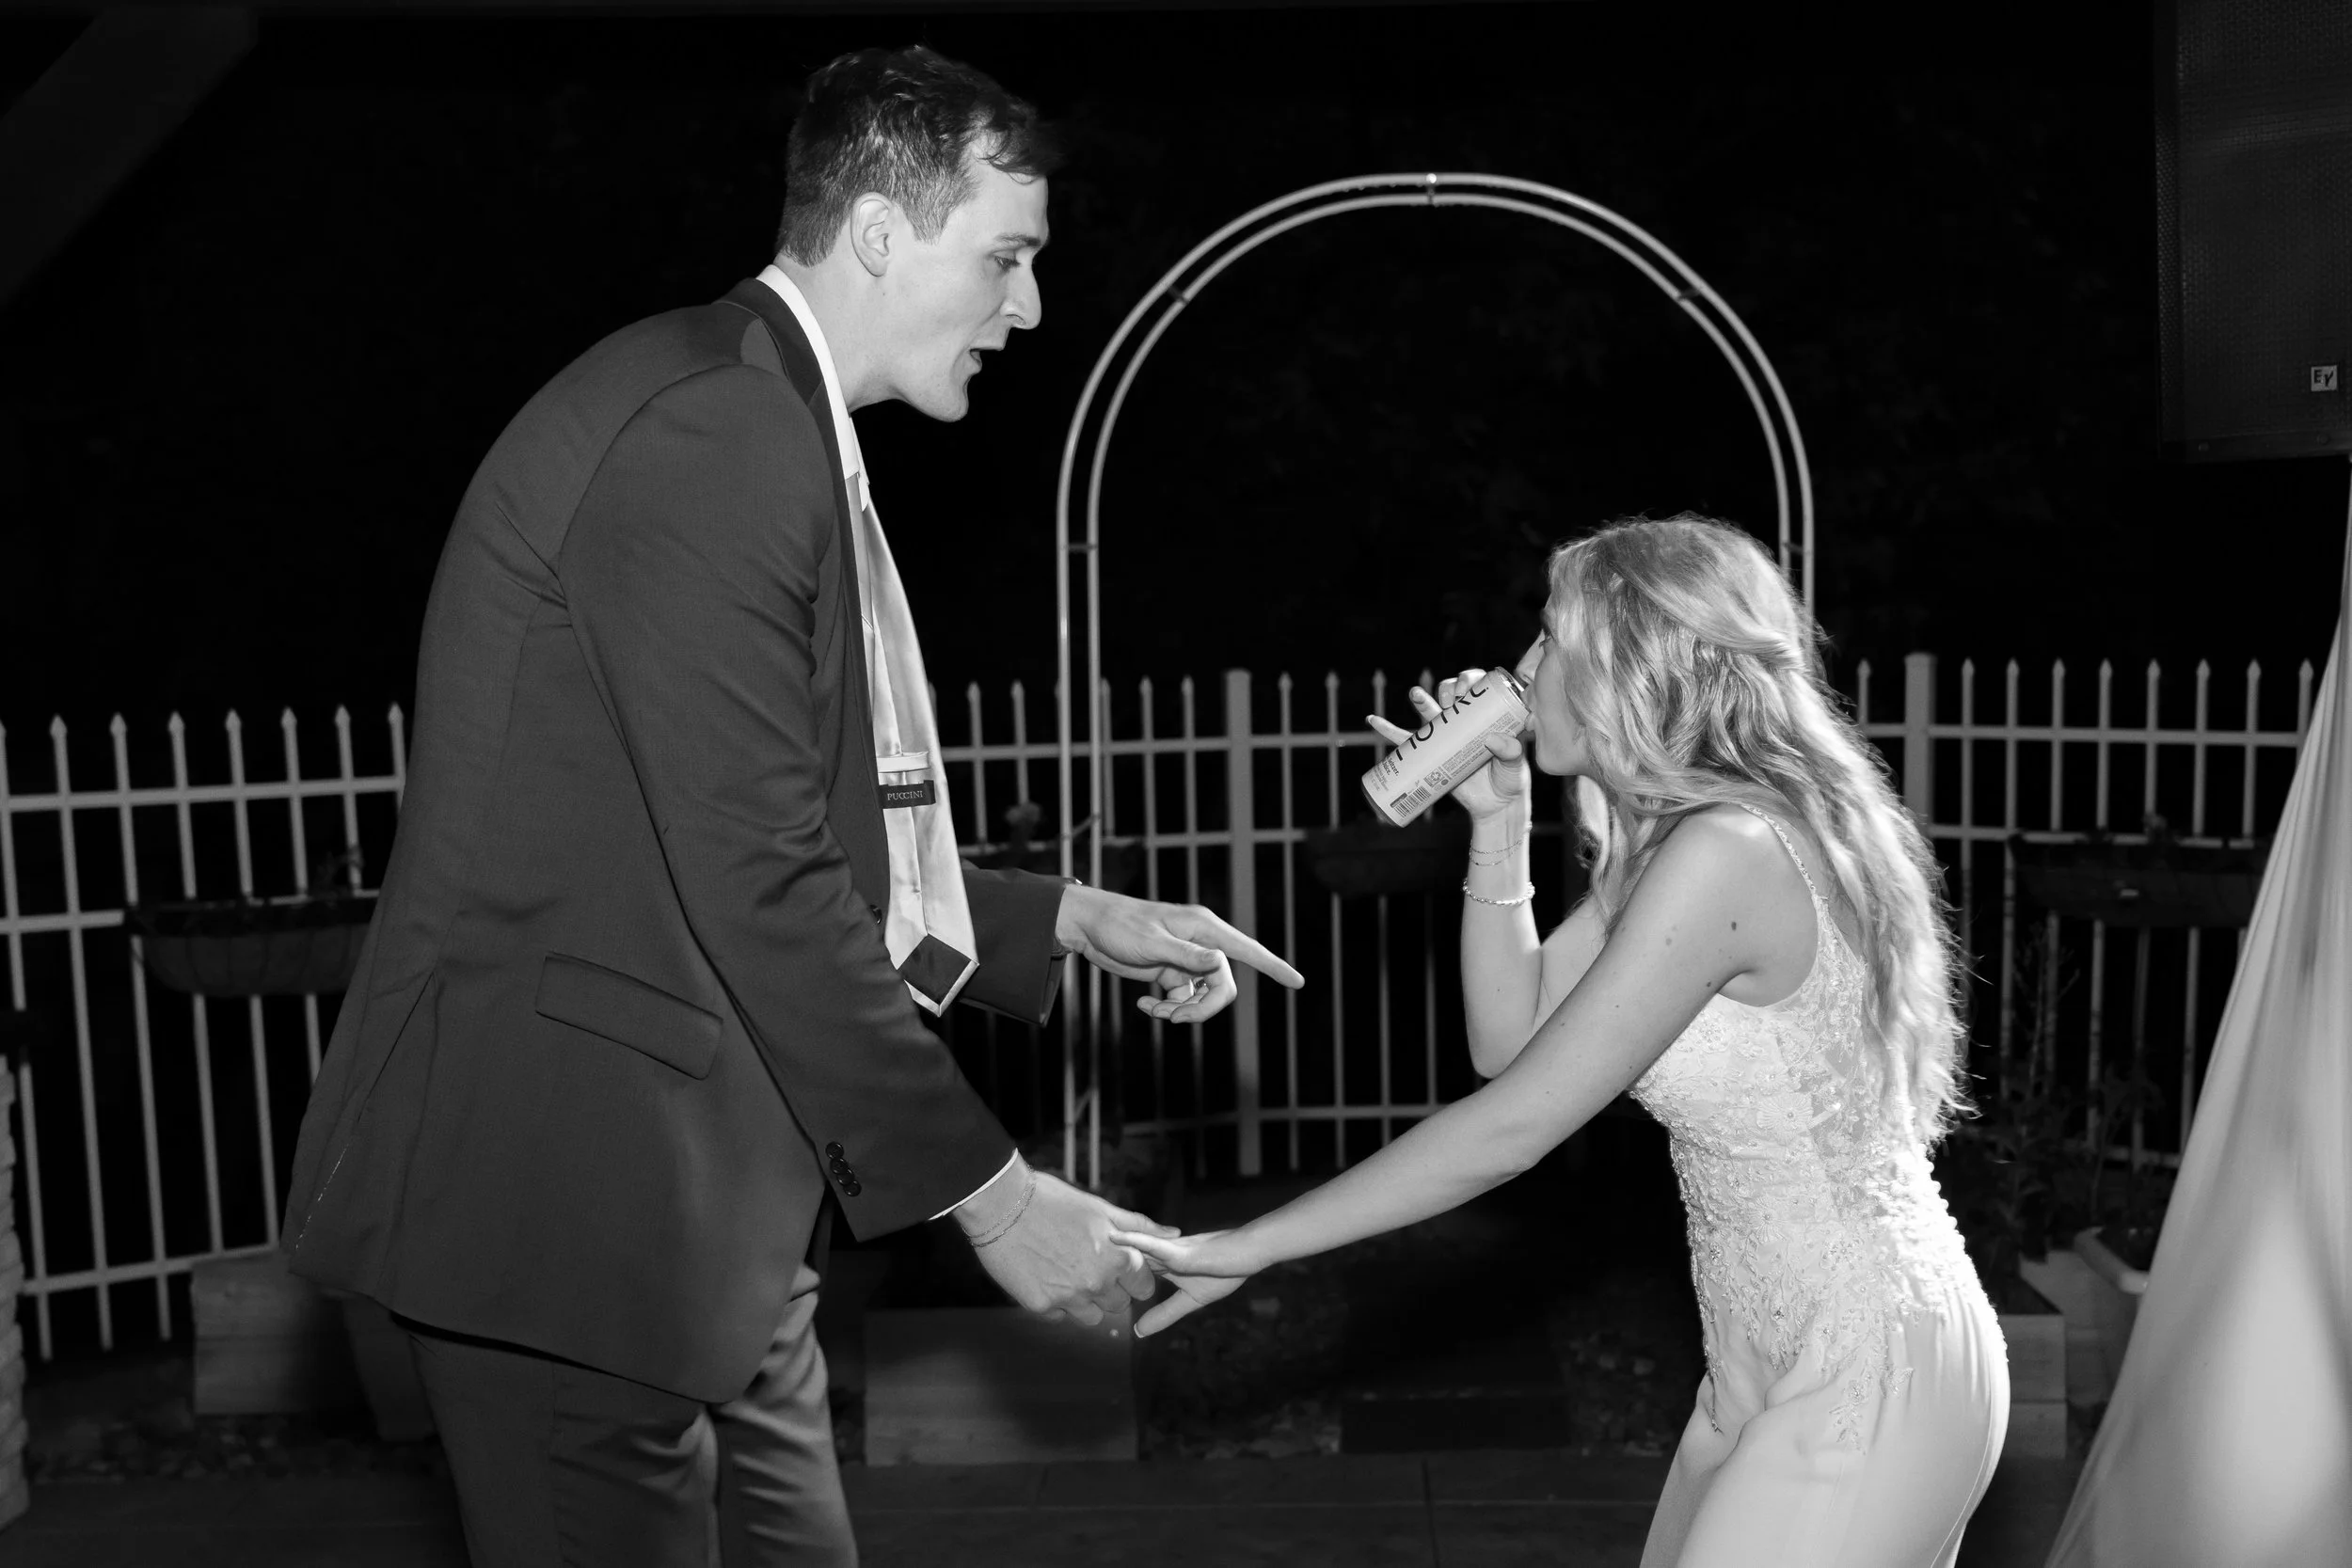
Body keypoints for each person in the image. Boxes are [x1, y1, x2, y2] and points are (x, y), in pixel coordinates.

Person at [280, 45, 1300, 1568]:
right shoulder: (719, 430)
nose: (1029, 307)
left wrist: (1077, 918)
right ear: (881, 232)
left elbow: (777, 825)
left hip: (713, 1218)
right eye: (1006, 257)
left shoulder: (757, 408)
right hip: (573, 1210)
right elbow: (761, 873)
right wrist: (996, 1198)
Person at [1120, 515, 2006, 1567]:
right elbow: (1507, 1041)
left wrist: (1255, 1242)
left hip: (1868, 1368)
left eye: (1551, 636)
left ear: (1632, 663)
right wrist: (1498, 823)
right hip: (1758, 1369)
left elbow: (1512, 1124)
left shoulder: (1728, 850)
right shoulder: (1680, 845)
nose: (1523, 664)